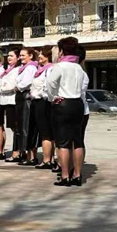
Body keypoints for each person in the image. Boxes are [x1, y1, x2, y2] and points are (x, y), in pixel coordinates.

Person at [47, 36, 87, 186]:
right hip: (78, 104)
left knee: (63, 142)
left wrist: (52, 97)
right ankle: (77, 174)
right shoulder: (78, 67)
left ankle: (65, 176)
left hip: (63, 103)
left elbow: (50, 82)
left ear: (62, 51)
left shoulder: (60, 66)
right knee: (77, 141)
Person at [31, 46, 56, 170]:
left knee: (46, 133)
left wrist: (39, 95)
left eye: (43, 54)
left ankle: (47, 160)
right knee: (45, 132)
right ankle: (49, 158)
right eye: (39, 54)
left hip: (44, 102)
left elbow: (48, 87)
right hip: (38, 102)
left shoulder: (49, 69)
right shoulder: (40, 70)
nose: (39, 56)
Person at [16, 47, 39, 165]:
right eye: (20, 55)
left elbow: (27, 82)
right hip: (21, 97)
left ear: (30, 56)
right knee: (22, 126)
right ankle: (26, 153)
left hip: (26, 98)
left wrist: (18, 86)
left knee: (27, 126)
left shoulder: (31, 67)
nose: (21, 57)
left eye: (23, 55)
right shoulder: (23, 68)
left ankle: (31, 156)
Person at [0, 49, 22, 162]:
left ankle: (17, 152)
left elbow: (11, 85)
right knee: (13, 127)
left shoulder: (17, 69)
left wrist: (2, 87)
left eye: (11, 56)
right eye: (8, 55)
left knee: (16, 127)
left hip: (13, 101)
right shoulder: (8, 69)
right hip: (6, 101)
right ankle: (19, 150)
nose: (9, 58)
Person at [78, 45, 91, 162]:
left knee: (78, 140)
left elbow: (79, 92)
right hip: (80, 109)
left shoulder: (81, 73)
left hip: (80, 110)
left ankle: (77, 165)